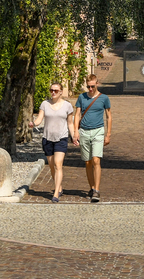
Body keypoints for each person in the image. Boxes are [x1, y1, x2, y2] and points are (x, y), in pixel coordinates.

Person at [29, 82, 76, 203]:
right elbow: (39, 119)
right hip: (47, 138)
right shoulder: (45, 104)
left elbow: (70, 123)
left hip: (61, 138)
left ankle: (56, 193)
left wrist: (74, 136)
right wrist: (33, 123)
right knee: (51, 166)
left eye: (56, 90)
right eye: (51, 90)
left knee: (58, 164)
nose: (53, 92)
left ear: (61, 92)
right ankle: (59, 186)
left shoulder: (67, 106)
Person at [73, 74, 112, 203]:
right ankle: (92, 187)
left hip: (98, 131)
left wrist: (108, 134)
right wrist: (75, 132)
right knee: (88, 162)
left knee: (96, 160)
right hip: (84, 131)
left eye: (92, 86)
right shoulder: (81, 97)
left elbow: (109, 116)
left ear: (97, 84)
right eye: (88, 86)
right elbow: (77, 114)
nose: (90, 89)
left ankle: (97, 190)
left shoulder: (104, 98)